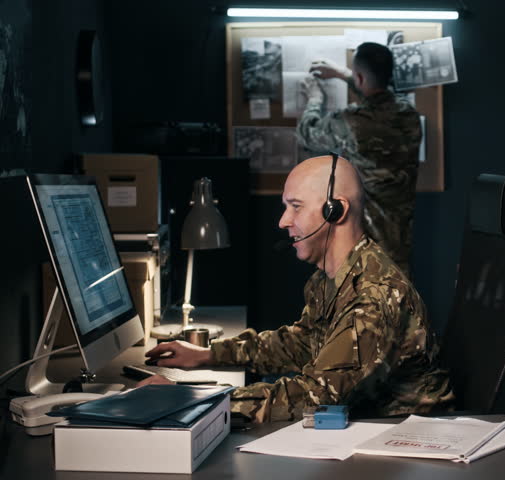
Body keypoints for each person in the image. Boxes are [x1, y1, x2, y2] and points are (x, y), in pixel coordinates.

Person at [139, 155, 454, 423]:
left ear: (335, 211)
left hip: (401, 441)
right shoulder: (332, 275)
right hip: (368, 427)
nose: (282, 221)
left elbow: (316, 396)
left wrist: (190, 400)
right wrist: (209, 354)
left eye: (296, 207)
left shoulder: (372, 297)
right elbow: (303, 343)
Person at [296, 42, 421, 274]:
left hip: (364, 243)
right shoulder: (409, 115)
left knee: (364, 304)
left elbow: (307, 134)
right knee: (397, 301)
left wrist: (314, 99)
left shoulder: (352, 121)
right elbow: (380, 100)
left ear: (361, 78)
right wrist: (345, 74)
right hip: (400, 240)